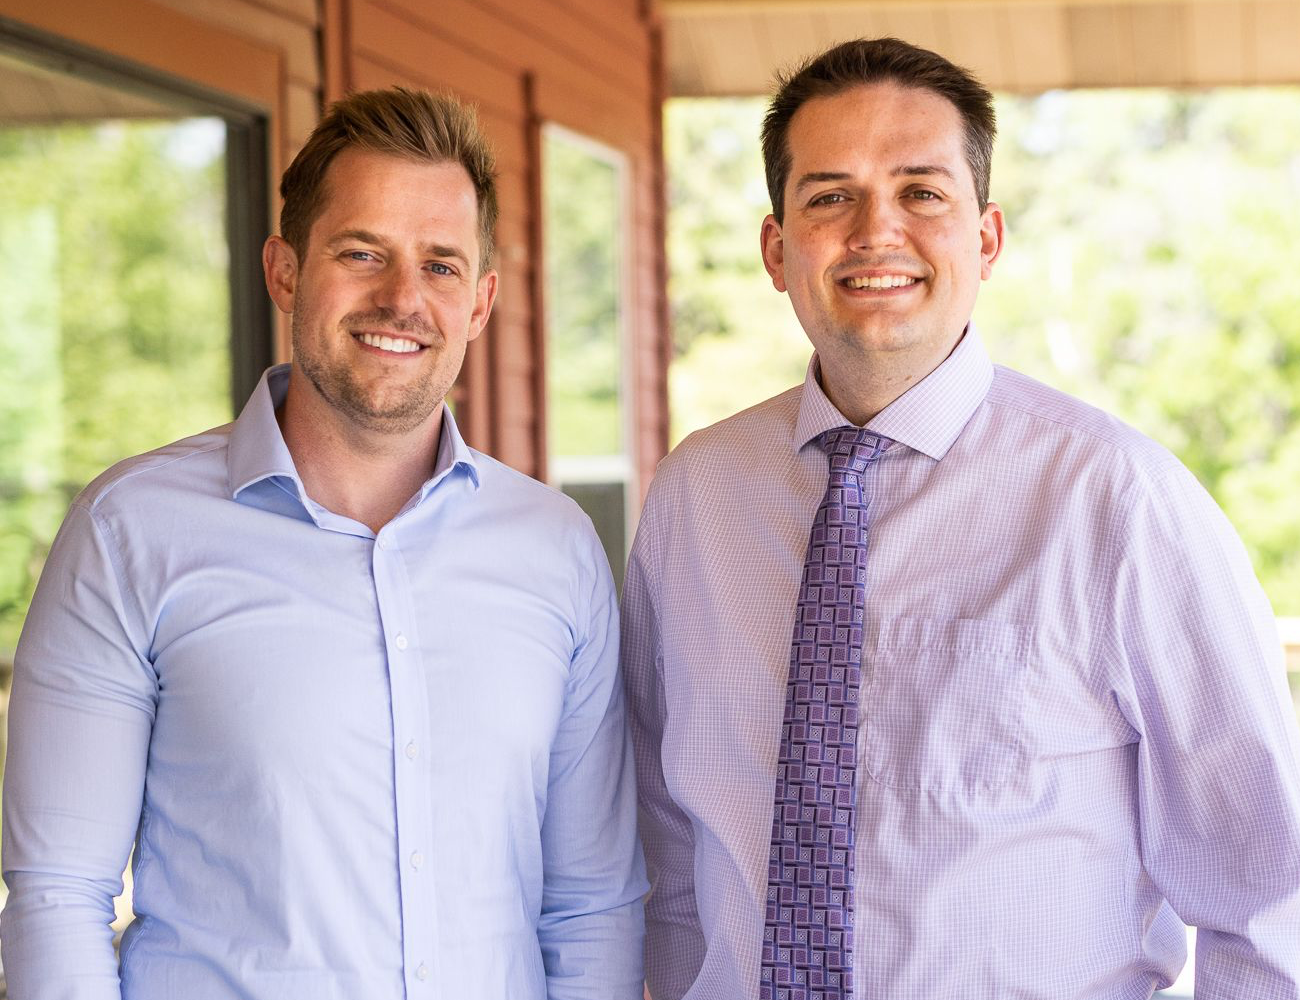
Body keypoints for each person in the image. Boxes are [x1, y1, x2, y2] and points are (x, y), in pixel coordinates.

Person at [622, 37, 1300, 1000]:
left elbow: (1271, 902)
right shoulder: (693, 501)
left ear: (985, 239)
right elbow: (669, 857)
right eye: (829, 196)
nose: (874, 231)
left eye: (921, 192)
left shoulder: (1118, 505)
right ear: (777, 250)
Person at [1, 87, 645, 999]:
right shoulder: (130, 533)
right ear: (285, 271)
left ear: (482, 301)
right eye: (361, 252)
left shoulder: (558, 551)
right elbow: (57, 899)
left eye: (441, 266)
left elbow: (592, 906)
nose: (403, 299)